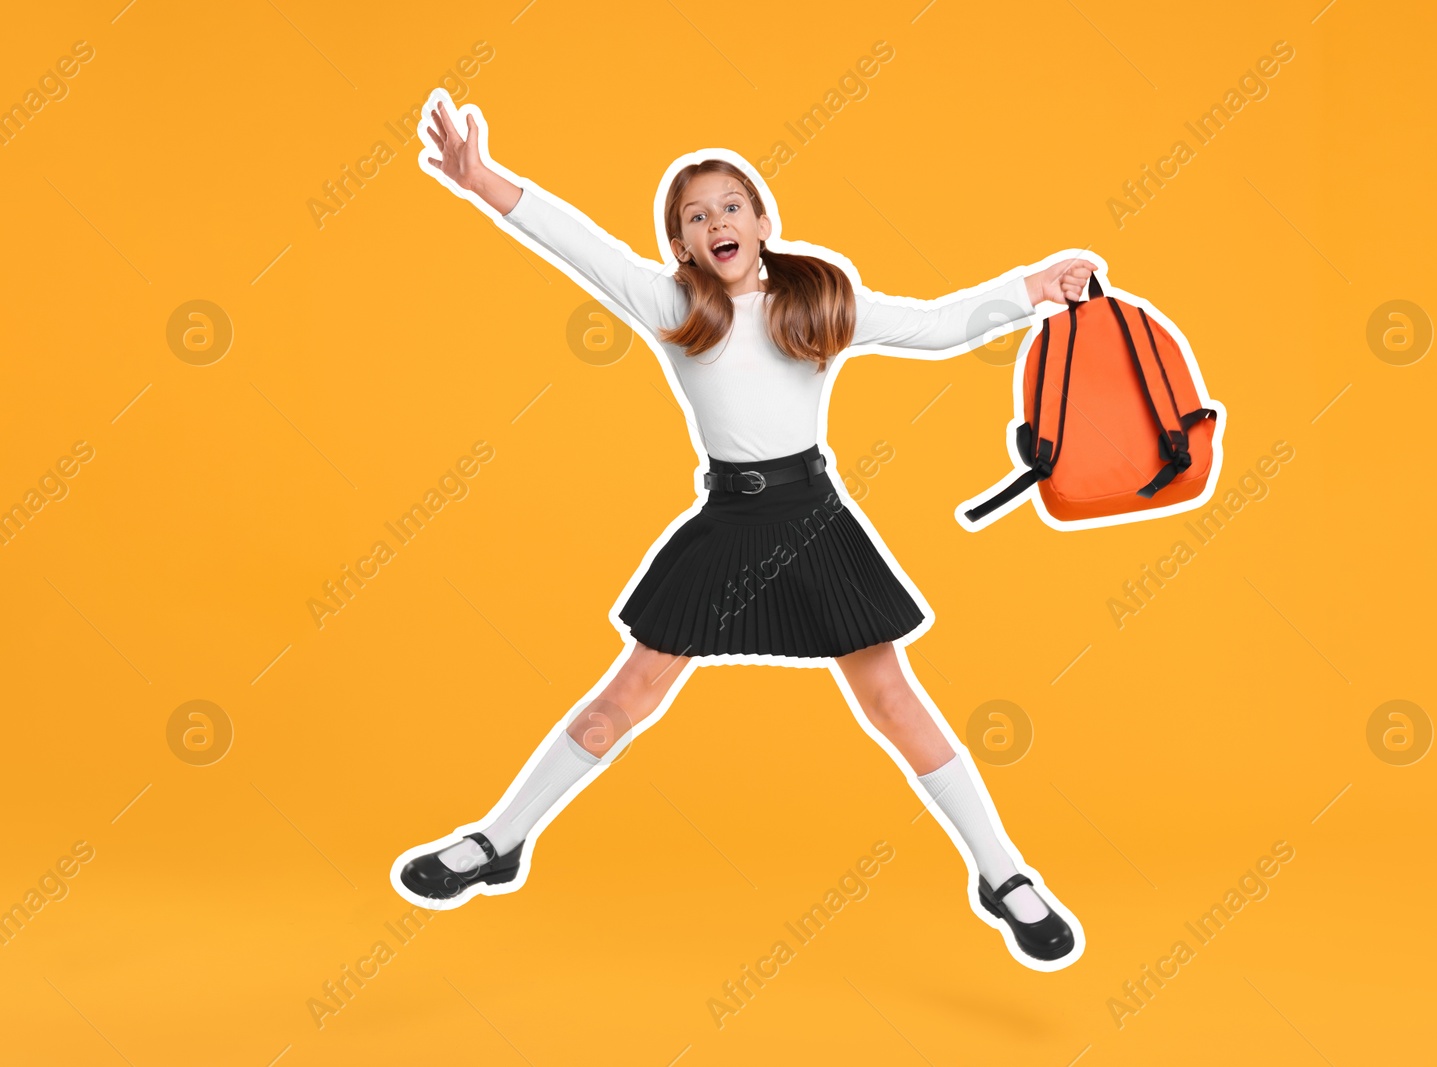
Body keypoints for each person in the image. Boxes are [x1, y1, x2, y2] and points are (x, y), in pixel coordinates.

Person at [392, 91, 1095, 969]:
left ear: (763, 222)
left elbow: (939, 323)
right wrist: (483, 181)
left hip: (814, 522)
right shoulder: (674, 307)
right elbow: (574, 241)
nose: (716, 221)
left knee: (893, 700)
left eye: (731, 205)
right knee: (629, 693)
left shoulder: (821, 302)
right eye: (696, 215)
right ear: (681, 244)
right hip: (728, 519)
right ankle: (498, 841)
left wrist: (1038, 284)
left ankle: (1004, 876)